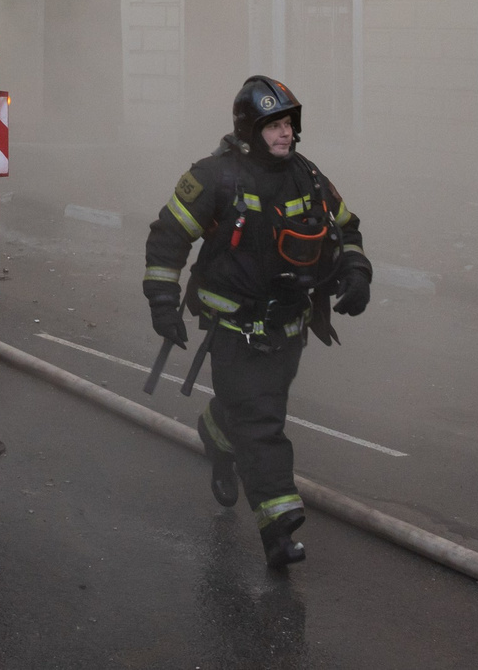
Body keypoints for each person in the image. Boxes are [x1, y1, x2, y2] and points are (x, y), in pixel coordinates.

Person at [143, 75, 372, 570]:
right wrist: (163, 302)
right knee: (263, 425)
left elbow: (346, 225)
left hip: (290, 326)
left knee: (254, 411)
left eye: (289, 124)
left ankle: (215, 428)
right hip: (235, 330)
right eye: (274, 126)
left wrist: (356, 271)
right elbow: (167, 238)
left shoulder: (308, 176)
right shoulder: (214, 178)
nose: (285, 134)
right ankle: (278, 526)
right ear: (251, 129)